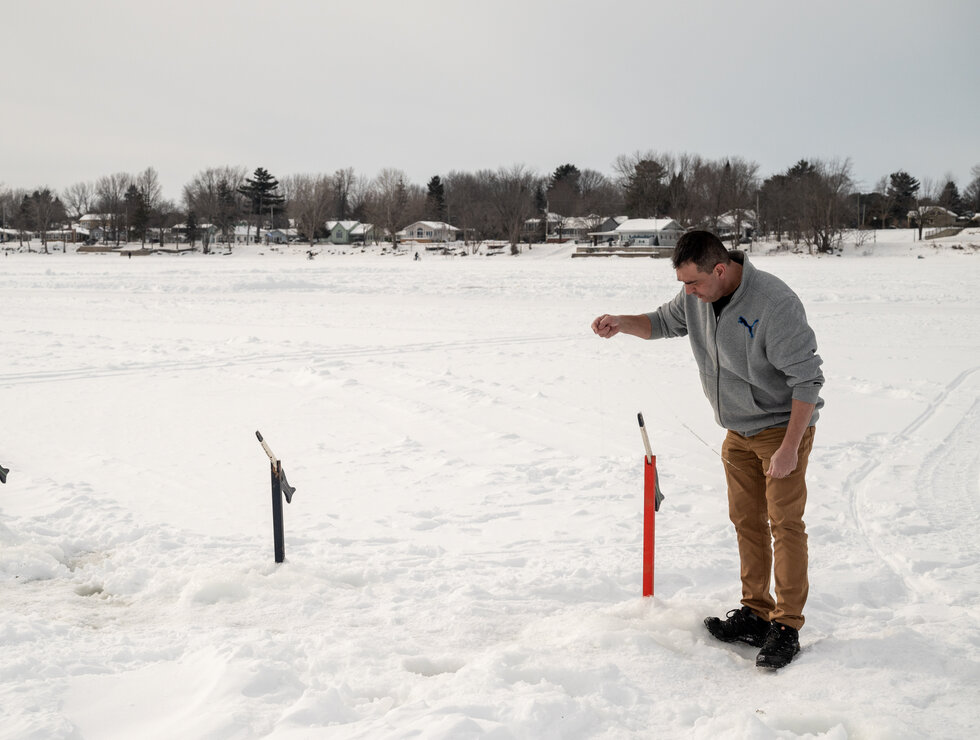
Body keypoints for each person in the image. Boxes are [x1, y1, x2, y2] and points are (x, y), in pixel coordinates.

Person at [591, 230, 824, 670]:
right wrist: (622, 322)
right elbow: (661, 322)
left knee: (785, 525)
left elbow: (808, 381)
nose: (687, 293)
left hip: (780, 430)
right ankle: (756, 612)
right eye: (683, 284)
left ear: (720, 270)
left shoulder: (775, 303)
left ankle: (786, 625)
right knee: (746, 522)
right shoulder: (696, 299)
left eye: (692, 283)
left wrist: (791, 446)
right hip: (737, 432)